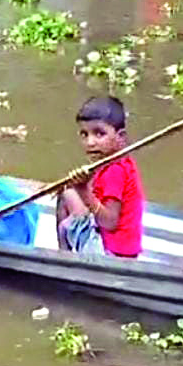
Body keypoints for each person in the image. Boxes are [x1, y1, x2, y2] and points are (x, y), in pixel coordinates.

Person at [57, 96, 145, 258]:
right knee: (67, 190)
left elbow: (109, 223)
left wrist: (83, 190)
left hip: (111, 254)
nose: (90, 142)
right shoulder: (115, 162)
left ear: (121, 137)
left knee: (67, 195)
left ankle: (64, 257)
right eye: (84, 134)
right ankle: (65, 253)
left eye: (99, 134)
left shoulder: (115, 171)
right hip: (118, 248)